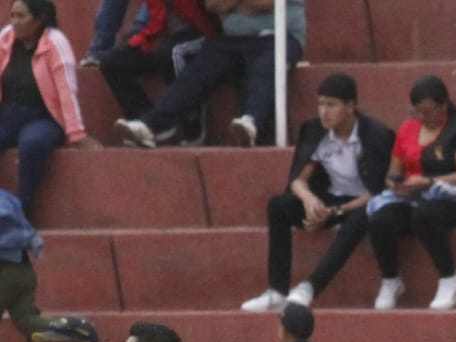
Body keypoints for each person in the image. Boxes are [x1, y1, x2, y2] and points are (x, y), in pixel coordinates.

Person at [240, 72, 395, 313]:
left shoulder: (376, 136)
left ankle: (310, 287)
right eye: (321, 104)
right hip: (329, 198)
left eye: (331, 105)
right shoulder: (314, 130)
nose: (324, 111)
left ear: (351, 106)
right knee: (279, 206)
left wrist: (335, 211)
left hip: (362, 203)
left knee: (360, 220)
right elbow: (298, 180)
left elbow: (379, 191)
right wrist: (311, 201)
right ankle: (276, 291)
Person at [113, 0, 305, 149]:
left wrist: (230, 4)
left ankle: (251, 121)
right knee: (196, 73)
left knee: (264, 69)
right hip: (233, 39)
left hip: (279, 36)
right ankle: (151, 125)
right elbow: (212, 4)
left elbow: (266, 3)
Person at [366, 74, 456, 312]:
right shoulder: (407, 129)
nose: (423, 118)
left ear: (444, 105)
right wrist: (397, 186)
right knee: (381, 219)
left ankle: (449, 277)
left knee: (425, 214)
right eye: (418, 112)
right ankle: (390, 279)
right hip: (414, 196)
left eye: (429, 111)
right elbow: (393, 173)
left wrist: (428, 182)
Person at [0, 0, 97, 215]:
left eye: (21, 17)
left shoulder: (55, 42)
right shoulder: (5, 38)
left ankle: (21, 209)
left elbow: (66, 89)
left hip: (44, 117)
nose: (14, 22)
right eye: (12, 15)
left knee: (33, 143)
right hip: (8, 114)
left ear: (39, 20)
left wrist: (77, 133)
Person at [92, 0, 219, 147]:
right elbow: (157, 21)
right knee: (111, 62)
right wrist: (137, 42)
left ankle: (190, 120)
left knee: (171, 52)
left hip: (202, 33)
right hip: (161, 35)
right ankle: (146, 123)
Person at [0, 186, 43, 342]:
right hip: (23, 272)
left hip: (8, 272)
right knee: (27, 321)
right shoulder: (7, 198)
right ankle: (76, 328)